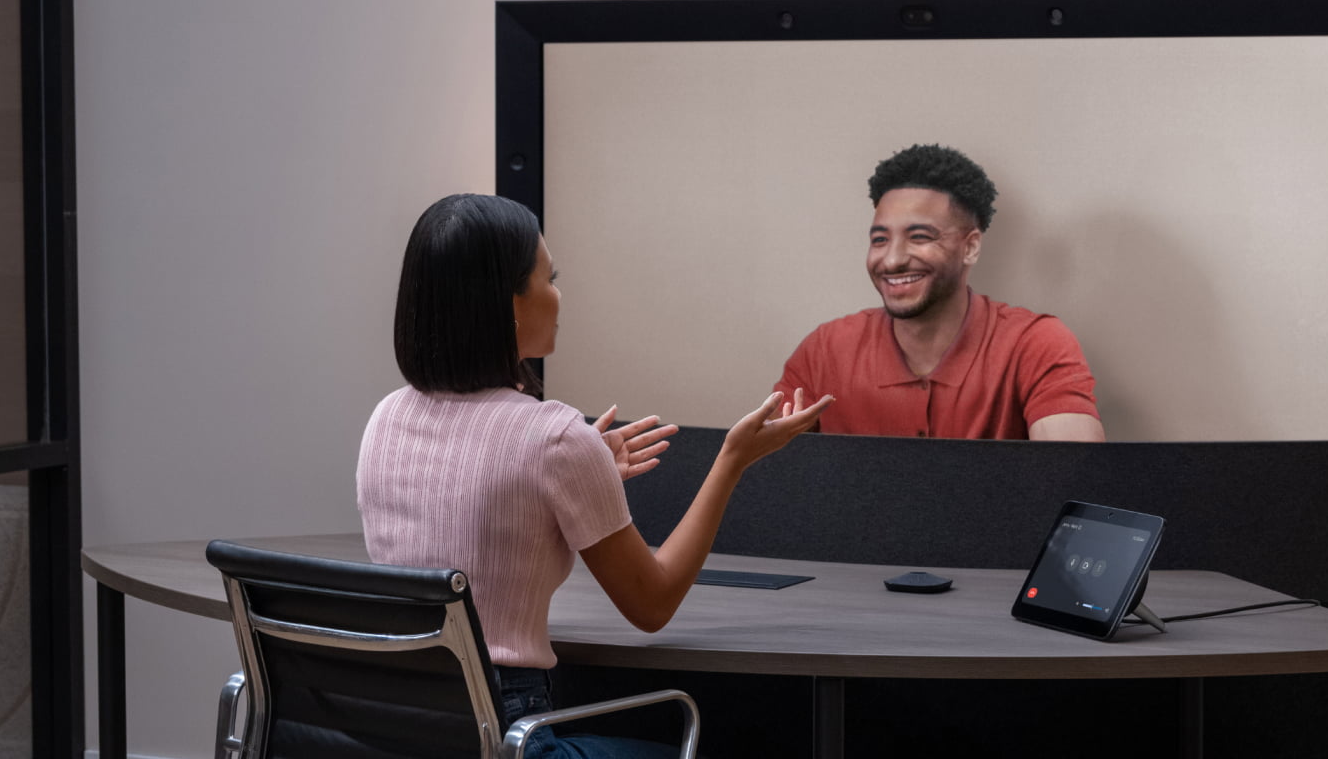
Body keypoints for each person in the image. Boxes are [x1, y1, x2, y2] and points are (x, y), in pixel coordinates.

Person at [360, 193, 832, 758]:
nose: (558, 295)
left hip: (399, 731)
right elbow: (651, 606)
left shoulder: (386, 417)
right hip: (510, 736)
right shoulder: (553, 437)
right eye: (548, 277)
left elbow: (469, 520)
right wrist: (732, 460)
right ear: (505, 302)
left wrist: (580, 476)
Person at [774, 144, 1105, 441]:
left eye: (919, 237)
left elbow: (1076, 481)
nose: (892, 259)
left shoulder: (1035, 344)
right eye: (880, 240)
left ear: (970, 247)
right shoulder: (825, 351)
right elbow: (764, 479)